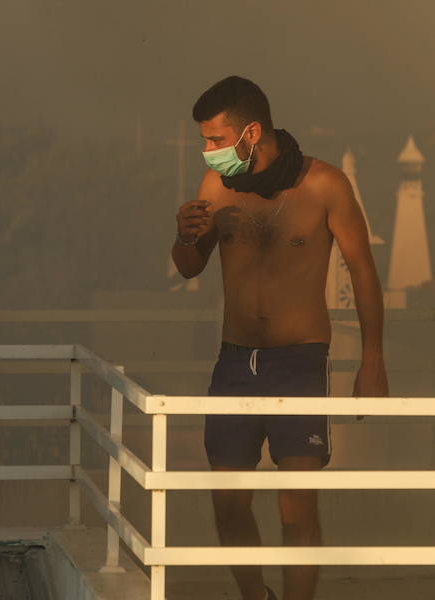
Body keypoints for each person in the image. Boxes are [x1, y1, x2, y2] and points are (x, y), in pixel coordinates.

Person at [172, 76, 388, 600]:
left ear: (251, 133)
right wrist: (183, 236)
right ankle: (255, 595)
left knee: (297, 505)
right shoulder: (215, 185)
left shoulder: (324, 184)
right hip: (234, 360)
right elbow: (189, 266)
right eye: (204, 140)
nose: (209, 150)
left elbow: (363, 271)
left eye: (216, 139)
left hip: (300, 360)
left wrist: (373, 361)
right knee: (229, 502)